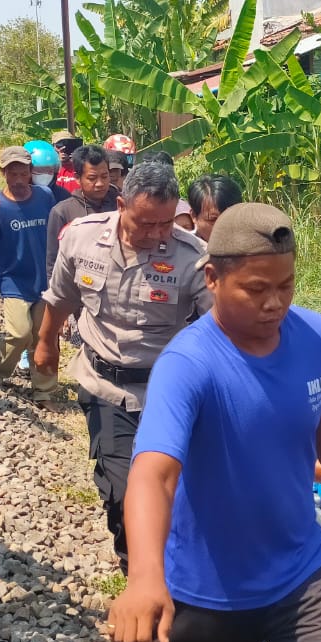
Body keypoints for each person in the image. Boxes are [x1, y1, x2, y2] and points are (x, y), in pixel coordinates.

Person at [106, 202, 321, 642]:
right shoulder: (188, 364)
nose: (275, 304)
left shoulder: (317, 338)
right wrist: (145, 579)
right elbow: (154, 473)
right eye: (257, 289)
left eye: (285, 286)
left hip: (300, 575)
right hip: (202, 593)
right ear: (213, 277)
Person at [34, 161, 211, 574]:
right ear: (121, 205)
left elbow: (218, 329)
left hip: (169, 392)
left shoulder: (192, 258)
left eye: (166, 223)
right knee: (123, 488)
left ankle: (173, 567)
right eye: (146, 223)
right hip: (104, 384)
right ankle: (140, 571)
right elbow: (60, 298)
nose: (157, 234)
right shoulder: (81, 238)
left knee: (174, 486)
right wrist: (45, 345)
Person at [0, 147, 58, 403]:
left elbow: (59, 235)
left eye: (24, 173)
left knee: (45, 337)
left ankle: (44, 391)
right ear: (3, 173)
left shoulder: (45, 197)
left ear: (31, 172)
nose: (20, 179)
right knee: (20, 333)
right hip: (14, 282)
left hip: (45, 281)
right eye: (14, 174)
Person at [45, 143, 120, 283]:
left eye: (104, 176)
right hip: (78, 290)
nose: (100, 183)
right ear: (77, 178)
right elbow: (52, 263)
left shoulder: (121, 204)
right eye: (92, 178)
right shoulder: (62, 212)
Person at [186, 173, 242, 243]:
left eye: (230, 218)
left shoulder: (253, 247)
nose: (223, 227)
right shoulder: (182, 251)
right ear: (194, 216)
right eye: (213, 220)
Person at [26, 139, 72, 203]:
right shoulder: (19, 195)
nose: (44, 174)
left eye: (49, 169)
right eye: (39, 170)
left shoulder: (63, 196)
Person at [51, 130, 82, 194]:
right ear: (53, 147)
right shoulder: (49, 169)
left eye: (67, 145)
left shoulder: (80, 167)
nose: (63, 148)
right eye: (59, 145)